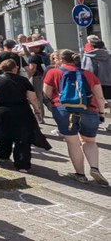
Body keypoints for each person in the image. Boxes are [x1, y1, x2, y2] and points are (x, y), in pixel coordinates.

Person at [43, 49, 108, 185]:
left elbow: (47, 93)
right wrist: (101, 113)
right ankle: (95, 168)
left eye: (55, 59)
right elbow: (100, 97)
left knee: (73, 142)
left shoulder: (53, 72)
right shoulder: (88, 74)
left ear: (61, 59)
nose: (54, 62)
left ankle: (80, 174)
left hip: (64, 110)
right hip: (89, 109)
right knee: (89, 141)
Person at [0, 59, 42, 171]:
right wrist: (37, 109)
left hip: (2, 110)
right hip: (21, 110)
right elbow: (32, 98)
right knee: (22, 138)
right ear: (15, 68)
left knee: (3, 134)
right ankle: (22, 164)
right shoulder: (23, 80)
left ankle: (2, 155)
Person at [81, 36, 111, 131]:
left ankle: (96, 122)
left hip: (95, 83)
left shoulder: (87, 56)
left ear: (92, 46)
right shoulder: (109, 54)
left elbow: (87, 70)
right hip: (109, 82)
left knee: (95, 103)